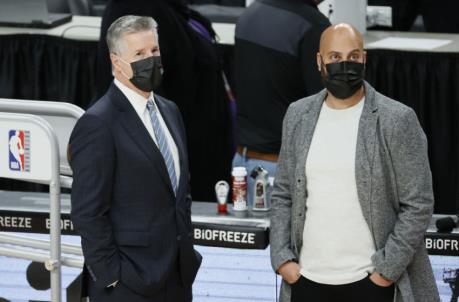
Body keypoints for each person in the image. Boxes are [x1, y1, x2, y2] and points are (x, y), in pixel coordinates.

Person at [270, 23, 440, 302]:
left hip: (372, 284)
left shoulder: (396, 119)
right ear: (319, 61)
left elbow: (419, 205)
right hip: (306, 280)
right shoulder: (298, 115)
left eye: (353, 56)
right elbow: (283, 192)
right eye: (335, 57)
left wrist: (384, 273)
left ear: (364, 59)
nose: (344, 64)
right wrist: (282, 259)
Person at [69, 15, 201, 302]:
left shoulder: (170, 111)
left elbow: (179, 191)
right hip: (128, 286)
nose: (150, 60)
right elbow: (88, 214)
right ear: (117, 62)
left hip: (178, 279)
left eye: (154, 51)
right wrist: (113, 277)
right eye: (139, 54)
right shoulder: (98, 123)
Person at [96, 0, 233, 202]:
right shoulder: (134, 9)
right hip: (168, 178)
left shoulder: (170, 9)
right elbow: (138, 98)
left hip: (197, 160)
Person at [233, 0, 330, 205]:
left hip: (242, 164)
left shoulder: (250, 13)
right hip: (281, 172)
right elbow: (324, 104)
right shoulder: (314, 26)